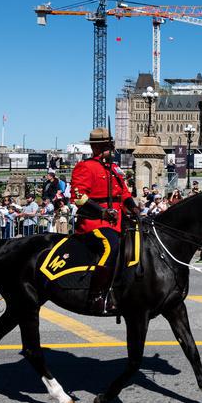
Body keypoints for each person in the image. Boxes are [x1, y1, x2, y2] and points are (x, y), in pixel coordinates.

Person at [71, 127, 139, 314]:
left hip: (119, 219)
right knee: (111, 245)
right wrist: (102, 213)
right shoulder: (85, 167)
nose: (113, 149)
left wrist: (133, 207)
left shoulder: (114, 169)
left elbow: (124, 193)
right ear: (99, 147)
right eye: (110, 146)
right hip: (95, 222)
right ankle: (97, 296)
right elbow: (79, 197)